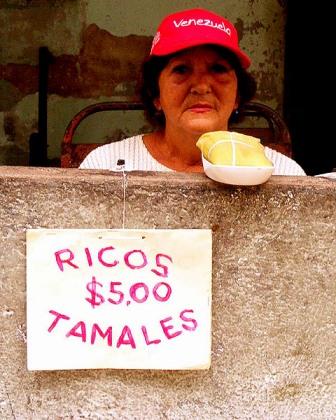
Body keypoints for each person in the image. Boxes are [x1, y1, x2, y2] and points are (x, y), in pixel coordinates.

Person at [80, 8, 305, 175]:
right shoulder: (106, 165)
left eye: (218, 69)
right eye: (181, 70)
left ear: (237, 96)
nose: (201, 87)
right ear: (155, 94)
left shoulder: (281, 173)